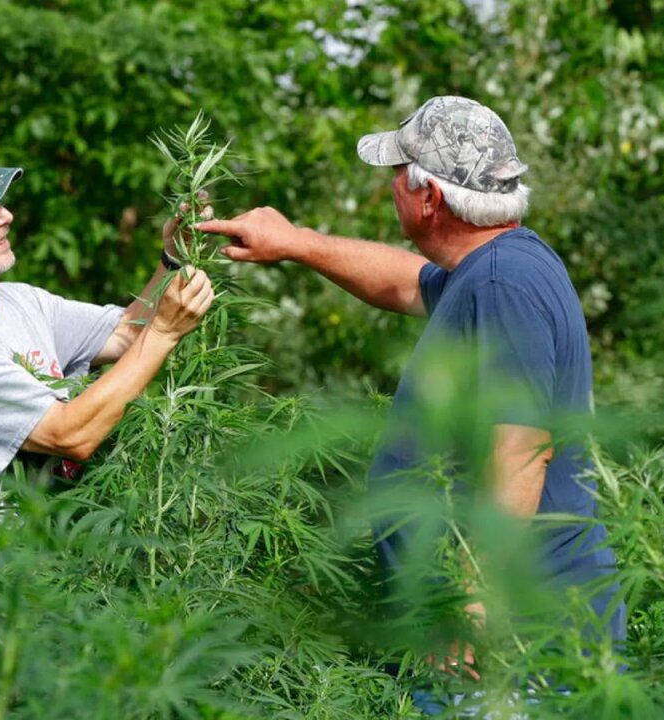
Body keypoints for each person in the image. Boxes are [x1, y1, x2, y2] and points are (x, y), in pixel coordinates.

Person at [198, 96, 625, 700]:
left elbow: (521, 451)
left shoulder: (501, 284)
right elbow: (404, 283)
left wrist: (472, 603)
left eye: (399, 173)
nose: (391, 186)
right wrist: (295, 242)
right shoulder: (496, 266)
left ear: (429, 198)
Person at [0, 150, 213, 496]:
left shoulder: (17, 299)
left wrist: (173, 257)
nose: (5, 216)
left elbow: (128, 332)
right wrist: (163, 333)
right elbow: (70, 434)